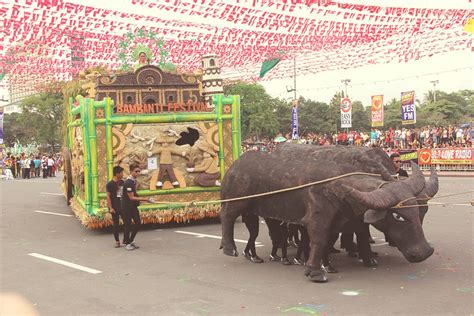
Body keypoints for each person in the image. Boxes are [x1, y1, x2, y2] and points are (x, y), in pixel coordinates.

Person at [121, 164, 152, 251]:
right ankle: (127, 243)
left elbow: (134, 195)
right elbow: (131, 197)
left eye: (139, 171)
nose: (138, 173)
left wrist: (143, 201)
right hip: (127, 207)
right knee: (128, 225)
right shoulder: (128, 183)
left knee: (138, 223)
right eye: (136, 171)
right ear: (131, 172)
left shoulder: (133, 181)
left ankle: (130, 240)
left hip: (133, 206)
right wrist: (145, 199)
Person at [106, 166, 125, 248]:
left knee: (127, 223)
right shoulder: (109, 184)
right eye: (121, 173)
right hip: (114, 207)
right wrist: (110, 207)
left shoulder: (123, 183)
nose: (122, 174)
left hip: (123, 206)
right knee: (116, 225)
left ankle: (125, 239)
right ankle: (117, 241)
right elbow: (108, 197)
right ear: (117, 174)